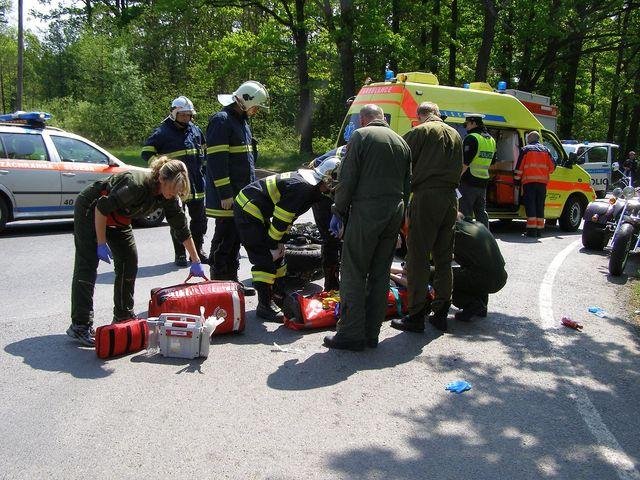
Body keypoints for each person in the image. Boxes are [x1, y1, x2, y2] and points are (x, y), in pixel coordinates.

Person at [67, 157, 207, 346]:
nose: (174, 194)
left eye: (177, 191)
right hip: (92, 210)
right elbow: (101, 208)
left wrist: (195, 260)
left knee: (128, 262)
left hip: (120, 218)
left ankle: (123, 316)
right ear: (161, 179)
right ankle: (80, 325)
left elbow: (181, 228)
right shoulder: (135, 185)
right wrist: (100, 243)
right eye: (172, 189)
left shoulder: (169, 197)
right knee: (87, 265)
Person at [324, 104, 411, 351]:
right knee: (380, 273)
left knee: (353, 271)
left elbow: (348, 178)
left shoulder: (361, 136)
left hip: (367, 212)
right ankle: (371, 334)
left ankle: (351, 334)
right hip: (394, 211)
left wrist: (338, 211)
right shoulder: (401, 142)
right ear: (382, 119)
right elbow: (408, 185)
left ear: (363, 120)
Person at [234, 159, 340, 321]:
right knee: (265, 258)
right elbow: (281, 218)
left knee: (279, 256)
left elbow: (289, 217)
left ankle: (278, 295)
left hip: (260, 208)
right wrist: (273, 244)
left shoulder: (312, 189)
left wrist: (280, 242)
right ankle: (264, 305)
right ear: (327, 179)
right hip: (249, 207)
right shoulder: (303, 188)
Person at [391, 101, 462, 333]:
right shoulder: (456, 135)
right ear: (438, 114)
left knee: (418, 256)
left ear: (420, 115)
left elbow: (399, 158)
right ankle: (441, 312)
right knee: (444, 258)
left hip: (426, 196)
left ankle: (416, 314)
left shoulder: (420, 131)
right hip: (451, 198)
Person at [205, 81, 269, 282]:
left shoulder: (240, 121)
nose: (257, 111)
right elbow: (216, 161)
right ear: (245, 101)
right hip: (228, 196)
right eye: (256, 106)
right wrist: (225, 193)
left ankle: (232, 282)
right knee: (224, 240)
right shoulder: (221, 121)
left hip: (241, 194)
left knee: (235, 240)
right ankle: (219, 283)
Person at [142, 96, 208, 266]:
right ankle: (180, 254)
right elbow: (146, 152)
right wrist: (160, 168)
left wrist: (205, 170)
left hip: (196, 183)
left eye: (189, 115)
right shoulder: (163, 132)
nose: (186, 118)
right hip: (175, 184)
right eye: (183, 115)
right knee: (178, 220)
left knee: (200, 219)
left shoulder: (195, 130)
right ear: (174, 113)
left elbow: (205, 151)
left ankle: (198, 250)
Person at [452, 216, 507, 320]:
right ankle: (482, 307)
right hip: (501, 277)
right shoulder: (478, 225)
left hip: (483, 278)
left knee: (441, 276)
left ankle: (470, 304)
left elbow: (441, 259)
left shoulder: (457, 231)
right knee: (478, 268)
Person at [308, 145, 347, 291]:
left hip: (335, 188)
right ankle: (331, 286)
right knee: (331, 240)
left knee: (345, 239)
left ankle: (345, 283)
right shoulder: (348, 155)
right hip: (323, 192)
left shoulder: (359, 151)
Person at [514, 131, 556, 238]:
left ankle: (531, 231)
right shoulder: (546, 150)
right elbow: (552, 168)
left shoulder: (526, 150)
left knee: (531, 205)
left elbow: (519, 168)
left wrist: (516, 180)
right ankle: (538, 231)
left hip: (529, 182)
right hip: (542, 184)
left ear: (530, 139)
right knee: (540, 206)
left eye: (528, 138)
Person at [458, 113, 496, 228]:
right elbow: (493, 162)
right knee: (481, 212)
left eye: (466, 124)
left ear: (473, 123)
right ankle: (485, 237)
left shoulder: (472, 138)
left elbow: (465, 163)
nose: (466, 127)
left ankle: (466, 236)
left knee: (465, 211)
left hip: (469, 181)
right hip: (483, 181)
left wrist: (456, 177)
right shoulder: (491, 140)